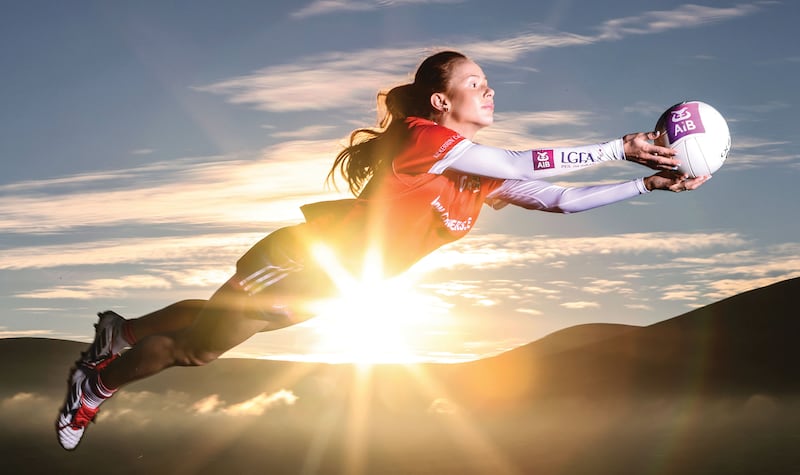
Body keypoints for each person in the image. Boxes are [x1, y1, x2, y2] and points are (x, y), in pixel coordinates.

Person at [56, 50, 709, 450]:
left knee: (223, 320)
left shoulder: (477, 172)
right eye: (474, 82)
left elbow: (560, 199)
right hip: (307, 260)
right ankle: (96, 383)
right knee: (198, 348)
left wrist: (645, 184)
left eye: (487, 82)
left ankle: (126, 327)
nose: (488, 90)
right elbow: (513, 156)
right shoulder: (423, 139)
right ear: (439, 99)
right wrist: (613, 147)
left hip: (336, 285)